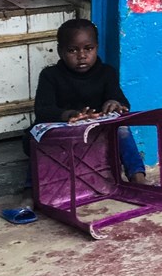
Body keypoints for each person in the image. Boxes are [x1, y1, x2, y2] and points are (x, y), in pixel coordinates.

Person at [31, 18, 147, 183]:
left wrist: (114, 103)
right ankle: (32, 188)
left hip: (96, 135)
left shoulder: (107, 73)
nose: (82, 56)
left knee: (122, 129)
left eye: (88, 48)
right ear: (60, 51)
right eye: (72, 50)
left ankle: (137, 176)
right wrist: (68, 115)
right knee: (37, 140)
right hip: (63, 134)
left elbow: (122, 102)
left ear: (97, 48)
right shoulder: (50, 76)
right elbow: (42, 110)